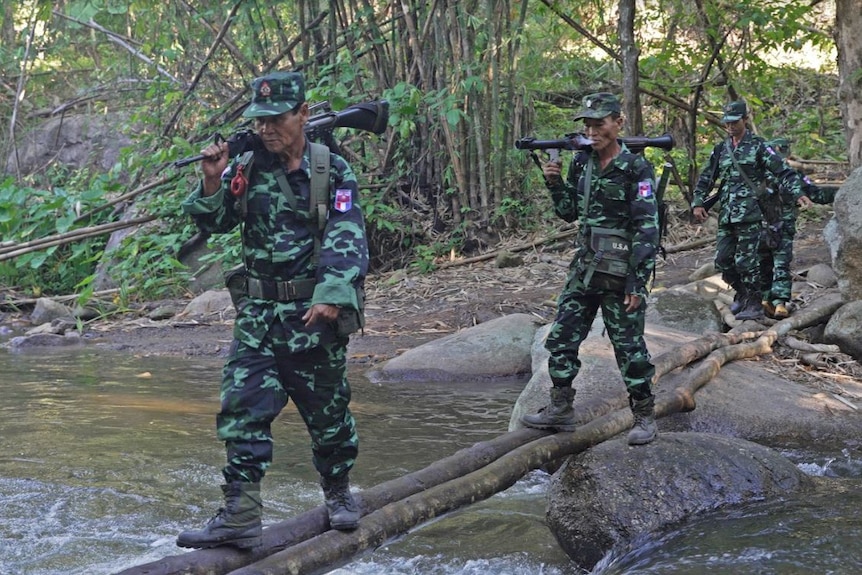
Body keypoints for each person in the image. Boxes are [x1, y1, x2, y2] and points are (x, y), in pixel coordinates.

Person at [176, 71, 369, 549]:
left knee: (327, 415)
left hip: (311, 316)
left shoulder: (332, 170)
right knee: (242, 411)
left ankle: (339, 490)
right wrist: (212, 178)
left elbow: (349, 238)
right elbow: (218, 223)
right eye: (259, 121)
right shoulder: (246, 166)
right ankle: (240, 513)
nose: (266, 130)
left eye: (277, 119)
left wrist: (332, 294)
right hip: (258, 315)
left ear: (303, 113)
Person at [520, 92, 660, 446]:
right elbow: (569, 212)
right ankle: (560, 407)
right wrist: (553, 183)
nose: (592, 131)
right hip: (585, 266)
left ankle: (644, 415)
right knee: (562, 336)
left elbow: (647, 227)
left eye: (600, 124)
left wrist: (637, 281)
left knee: (629, 347)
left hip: (620, 270)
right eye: (588, 125)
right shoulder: (581, 162)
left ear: (617, 123)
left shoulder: (636, 168)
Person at [691, 100, 811, 321]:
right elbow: (707, 177)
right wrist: (698, 202)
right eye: (727, 123)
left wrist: (798, 193)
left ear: (745, 120)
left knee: (747, 261)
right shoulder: (721, 149)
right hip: (727, 213)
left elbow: (784, 172)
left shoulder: (758, 146)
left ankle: (755, 303)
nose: (730, 127)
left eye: (735, 122)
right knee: (723, 261)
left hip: (751, 214)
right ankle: (743, 294)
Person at [758, 138, 837, 319]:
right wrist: (839, 192)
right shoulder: (793, 176)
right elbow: (816, 193)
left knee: (763, 262)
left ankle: (764, 298)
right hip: (782, 226)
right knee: (781, 263)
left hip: (760, 226)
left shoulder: (757, 174)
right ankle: (779, 304)